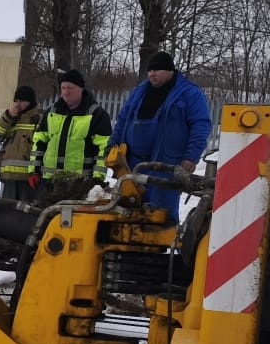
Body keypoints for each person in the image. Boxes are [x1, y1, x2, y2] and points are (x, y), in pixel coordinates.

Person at [115, 52, 213, 219]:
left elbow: (201, 125)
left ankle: (160, 242)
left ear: (170, 71)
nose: (152, 74)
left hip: (165, 165)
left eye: (157, 70)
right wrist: (113, 146)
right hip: (133, 163)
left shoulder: (189, 93)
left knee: (161, 214)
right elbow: (123, 120)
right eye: (150, 70)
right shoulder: (139, 92)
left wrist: (191, 156)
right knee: (129, 210)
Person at [31, 69, 113, 203]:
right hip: (50, 182)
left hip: (79, 184)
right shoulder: (51, 112)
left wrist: (97, 179)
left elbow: (103, 150)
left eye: (70, 88)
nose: (66, 92)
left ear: (80, 89)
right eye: (63, 88)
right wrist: (34, 171)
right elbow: (39, 143)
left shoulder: (96, 115)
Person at [0, 85, 43, 202]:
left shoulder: (40, 119)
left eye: (21, 101)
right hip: (8, 180)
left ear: (30, 102)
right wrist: (8, 117)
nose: (17, 104)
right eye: (16, 101)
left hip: (28, 181)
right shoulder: (11, 118)